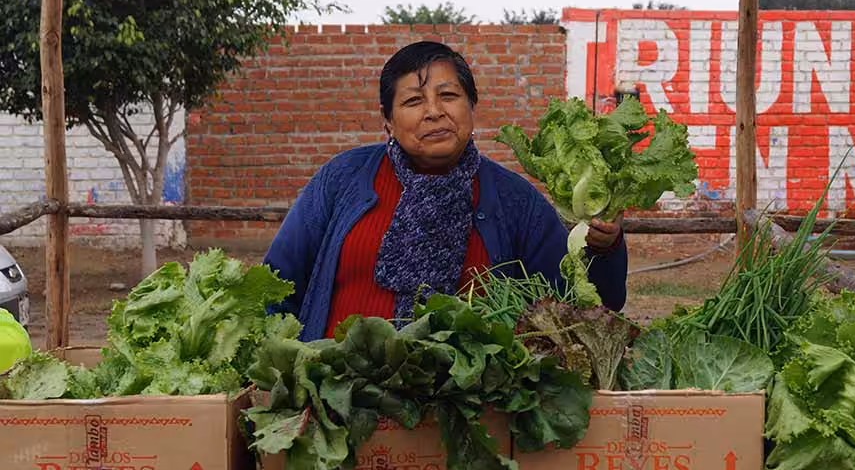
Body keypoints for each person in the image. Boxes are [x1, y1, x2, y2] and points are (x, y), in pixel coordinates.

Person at [264, 41, 627, 341]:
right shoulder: (343, 179)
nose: (434, 112)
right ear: (387, 121)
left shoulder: (515, 201)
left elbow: (586, 308)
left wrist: (603, 248)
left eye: (448, 95)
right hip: (336, 398)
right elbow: (277, 285)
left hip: (468, 409)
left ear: (472, 106)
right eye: (413, 101)